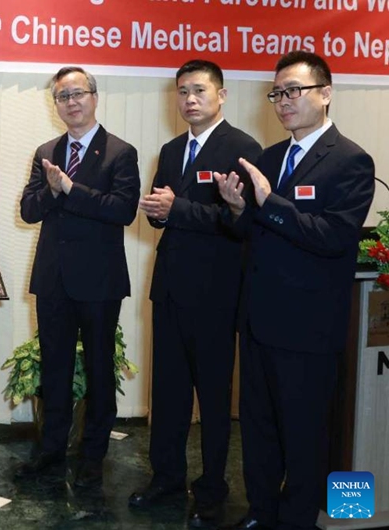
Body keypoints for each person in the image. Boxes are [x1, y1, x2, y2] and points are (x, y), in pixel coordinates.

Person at [215, 51, 375, 530]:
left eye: (294, 91)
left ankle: (299, 518)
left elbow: (331, 237)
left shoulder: (350, 160)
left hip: (308, 327)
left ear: (325, 94)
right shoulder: (270, 156)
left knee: (303, 433)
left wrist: (269, 201)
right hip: (260, 319)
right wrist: (237, 207)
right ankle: (261, 511)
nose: (283, 101)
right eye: (277, 93)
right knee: (260, 429)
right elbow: (252, 233)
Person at [131, 60, 262, 527]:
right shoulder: (170, 149)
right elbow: (160, 213)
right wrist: (157, 212)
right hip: (168, 287)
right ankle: (165, 476)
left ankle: (212, 488)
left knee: (211, 396)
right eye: (182, 91)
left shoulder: (243, 149)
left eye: (199, 90)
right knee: (166, 394)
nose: (189, 99)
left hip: (214, 292)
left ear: (221, 95)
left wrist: (178, 208)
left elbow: (241, 223)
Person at [17, 66, 140, 487]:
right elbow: (28, 211)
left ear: (94, 97)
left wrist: (70, 189)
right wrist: (51, 190)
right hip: (53, 277)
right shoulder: (45, 151)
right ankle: (51, 450)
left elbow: (122, 209)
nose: (71, 102)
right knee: (54, 367)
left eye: (78, 94)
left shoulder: (120, 152)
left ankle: (93, 454)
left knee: (100, 367)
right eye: (62, 96)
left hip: (99, 280)